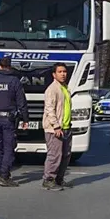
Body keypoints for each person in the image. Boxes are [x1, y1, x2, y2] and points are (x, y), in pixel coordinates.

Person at [0, 55, 28, 187]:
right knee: (9, 148)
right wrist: (25, 119)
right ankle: (4, 176)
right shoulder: (15, 81)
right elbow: (22, 102)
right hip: (8, 120)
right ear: (10, 66)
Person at [42, 62, 73, 191]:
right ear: (54, 74)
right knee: (54, 155)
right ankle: (48, 179)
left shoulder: (65, 88)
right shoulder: (52, 89)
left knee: (66, 155)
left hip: (66, 127)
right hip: (55, 129)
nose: (63, 74)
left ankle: (59, 179)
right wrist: (55, 126)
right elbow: (49, 109)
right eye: (60, 72)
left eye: (64, 71)